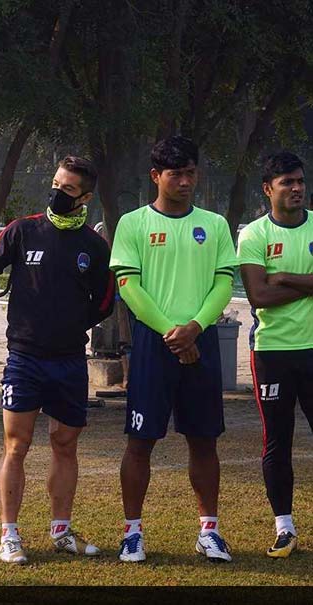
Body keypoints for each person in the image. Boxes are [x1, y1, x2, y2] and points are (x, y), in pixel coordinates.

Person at [0, 156, 115, 564]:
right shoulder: (23, 229)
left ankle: (61, 531)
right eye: (55, 184)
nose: (56, 194)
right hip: (24, 360)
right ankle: (9, 535)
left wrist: (68, 322)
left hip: (69, 361)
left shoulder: (93, 246)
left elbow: (104, 301)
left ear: (84, 197)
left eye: (67, 190)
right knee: (17, 445)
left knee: (65, 445)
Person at [110, 136, 237, 563]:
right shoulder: (133, 224)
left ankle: (209, 532)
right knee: (140, 441)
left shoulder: (215, 225)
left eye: (190, 173)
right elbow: (129, 286)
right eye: (175, 174)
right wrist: (172, 332)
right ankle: (132, 533)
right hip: (153, 342)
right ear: (156, 177)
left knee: (204, 441)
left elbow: (223, 283)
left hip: (201, 339)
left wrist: (196, 326)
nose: (184, 181)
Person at [237, 151, 312, 558]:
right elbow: (259, 295)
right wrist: (307, 283)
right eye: (287, 182)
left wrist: (283, 275)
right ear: (269, 190)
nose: (297, 188)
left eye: (300, 180)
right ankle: (285, 528)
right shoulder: (254, 235)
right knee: (277, 443)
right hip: (272, 351)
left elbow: (272, 286)